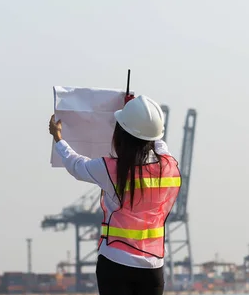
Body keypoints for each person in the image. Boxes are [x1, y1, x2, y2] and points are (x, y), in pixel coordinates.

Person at [48, 95, 182, 295]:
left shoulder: (112, 170)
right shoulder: (169, 167)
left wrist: (58, 138)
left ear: (122, 134)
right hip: (153, 267)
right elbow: (156, 140)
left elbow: (77, 165)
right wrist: (136, 117)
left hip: (115, 264)